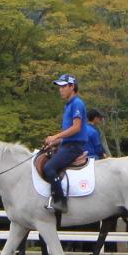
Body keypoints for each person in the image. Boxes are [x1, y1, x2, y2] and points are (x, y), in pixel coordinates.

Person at [41, 74, 92, 212]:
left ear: (72, 87)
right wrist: (56, 141)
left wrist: (55, 136)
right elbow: (70, 134)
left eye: (63, 86)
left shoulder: (77, 103)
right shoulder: (69, 105)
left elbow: (76, 128)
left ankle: (60, 201)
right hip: (68, 144)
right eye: (59, 87)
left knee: (49, 167)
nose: (60, 90)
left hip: (73, 147)